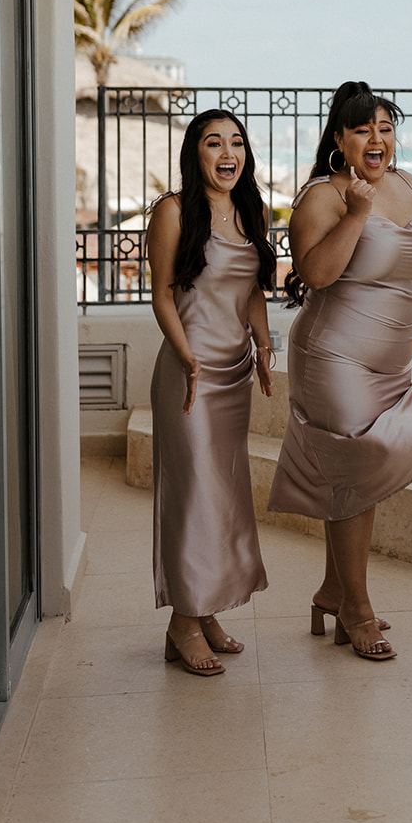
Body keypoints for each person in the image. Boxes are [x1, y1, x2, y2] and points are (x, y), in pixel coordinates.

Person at [268, 82, 412, 661]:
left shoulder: (408, 184)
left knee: (357, 473)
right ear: (339, 139)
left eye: (385, 128)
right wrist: (357, 213)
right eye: (363, 130)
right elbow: (318, 275)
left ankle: (335, 590)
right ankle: (355, 607)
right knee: (357, 469)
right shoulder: (323, 196)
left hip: (388, 366)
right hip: (335, 358)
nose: (377, 139)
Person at [147, 110, 276, 677]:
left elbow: (249, 291)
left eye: (237, 142)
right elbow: (162, 295)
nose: (228, 152)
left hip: (234, 371)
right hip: (190, 376)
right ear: (194, 153)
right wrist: (185, 356)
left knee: (225, 496)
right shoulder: (173, 211)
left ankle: (207, 609)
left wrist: (265, 345)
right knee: (193, 495)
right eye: (213, 142)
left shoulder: (253, 211)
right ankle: (182, 619)